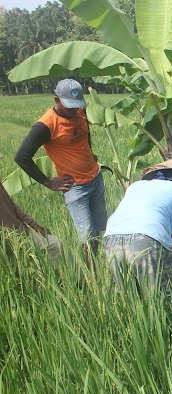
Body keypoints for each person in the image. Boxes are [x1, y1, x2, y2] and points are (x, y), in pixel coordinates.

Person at [14, 79, 106, 261]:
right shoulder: (45, 125)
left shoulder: (80, 111)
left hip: (95, 178)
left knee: (98, 229)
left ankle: (98, 264)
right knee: (86, 235)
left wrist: (91, 153)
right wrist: (48, 182)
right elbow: (21, 157)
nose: (73, 110)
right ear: (57, 99)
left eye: (76, 105)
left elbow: (85, 133)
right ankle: (92, 276)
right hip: (76, 188)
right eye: (69, 106)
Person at [103, 159, 172, 296]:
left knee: (128, 298)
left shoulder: (135, 187)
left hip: (110, 239)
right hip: (146, 240)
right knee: (166, 300)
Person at [1, 179, 61, 262]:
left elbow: (11, 203)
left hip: (21, 232)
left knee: (57, 245)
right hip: (5, 244)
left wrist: (33, 225)